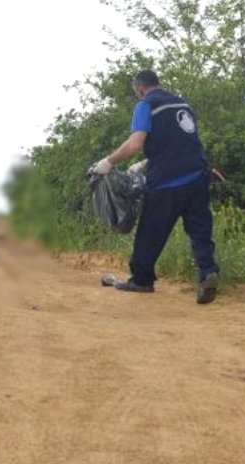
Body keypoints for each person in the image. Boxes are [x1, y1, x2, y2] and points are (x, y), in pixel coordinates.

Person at [91, 70, 220, 304]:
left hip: (166, 182)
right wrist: (142, 163)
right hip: (198, 176)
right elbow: (179, 143)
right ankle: (208, 272)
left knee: (150, 231)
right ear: (159, 83)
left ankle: (141, 280)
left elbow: (136, 142)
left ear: (139, 89)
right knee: (200, 232)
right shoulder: (183, 104)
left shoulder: (146, 105)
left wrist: (108, 162)